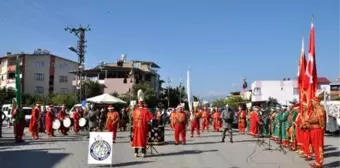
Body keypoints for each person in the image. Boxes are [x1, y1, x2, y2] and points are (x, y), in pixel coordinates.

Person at [304, 97, 325, 168]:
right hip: (313, 130)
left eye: (312, 101)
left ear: (316, 102)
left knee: (318, 147)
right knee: (315, 147)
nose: (311, 103)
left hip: (317, 131)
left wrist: (307, 121)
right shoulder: (315, 110)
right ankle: (317, 162)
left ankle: (319, 163)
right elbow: (312, 119)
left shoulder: (320, 110)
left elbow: (316, 119)